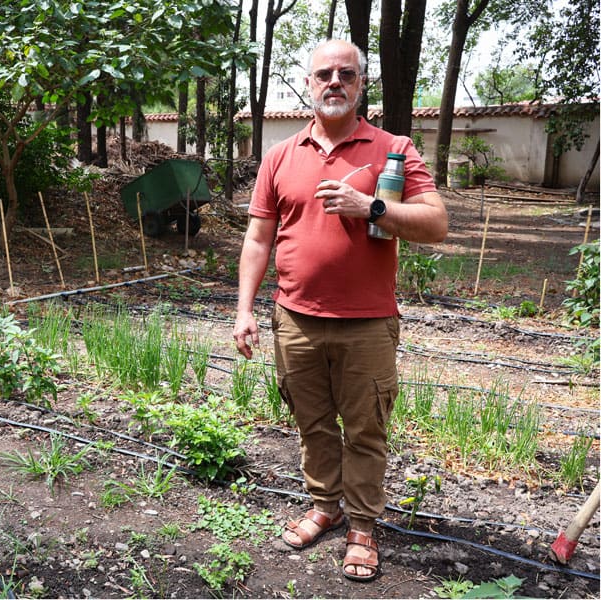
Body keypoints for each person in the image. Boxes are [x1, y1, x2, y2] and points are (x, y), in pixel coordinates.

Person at [232, 39, 448, 582]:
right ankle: (326, 507)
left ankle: (362, 527)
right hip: (295, 320)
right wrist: (244, 309)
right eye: (323, 74)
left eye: (345, 74)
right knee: (312, 424)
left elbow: (437, 224)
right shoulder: (281, 155)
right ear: (308, 84)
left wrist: (372, 205)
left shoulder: (392, 149)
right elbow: (259, 238)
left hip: (367, 324)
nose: (334, 82)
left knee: (366, 429)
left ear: (359, 84)